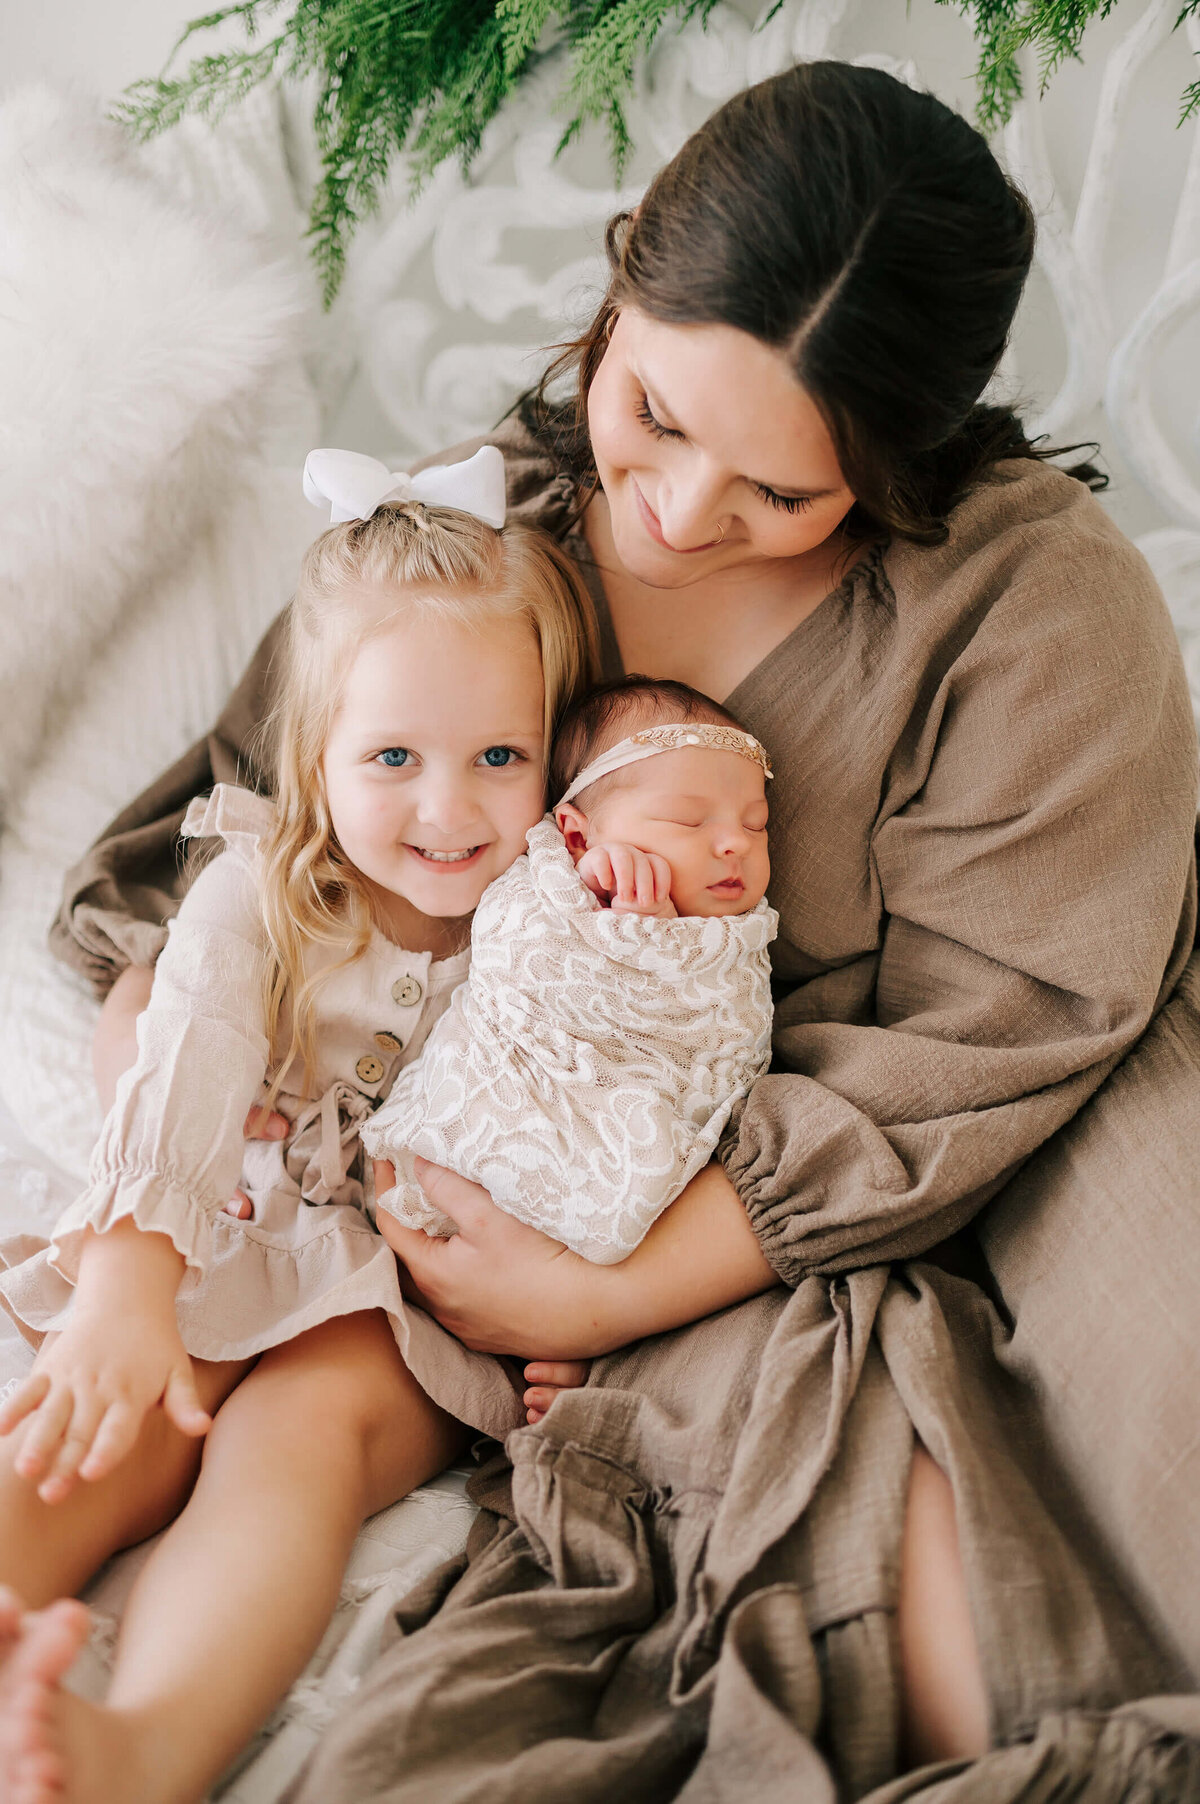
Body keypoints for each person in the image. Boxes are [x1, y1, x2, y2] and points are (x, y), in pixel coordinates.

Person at [19, 56, 1200, 1803]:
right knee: (164, 1356)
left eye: (780, 492)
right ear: (622, 272)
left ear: (906, 453)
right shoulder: (489, 529)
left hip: (810, 1152)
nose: (678, 511)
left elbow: (1010, 1018)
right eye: (652, 417)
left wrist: (617, 1274)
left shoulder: (1032, 603)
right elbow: (255, 830)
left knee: (1115, 1476)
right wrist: (174, 1115)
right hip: (436, 1133)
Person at [0, 450, 599, 1804]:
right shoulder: (254, 897)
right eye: (392, 758)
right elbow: (188, 1066)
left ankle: (145, 1745)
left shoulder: (554, 923)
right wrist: (127, 1280)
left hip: (405, 1298)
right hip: (232, 1217)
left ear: (552, 754)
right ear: (314, 758)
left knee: (293, 1445)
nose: (448, 809)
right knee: (123, 1408)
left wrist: (579, 1320)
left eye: (496, 758)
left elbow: (606, 1118)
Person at [365, 675, 778, 1264]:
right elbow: (525, 954)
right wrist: (612, 917)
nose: (734, 843)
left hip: (644, 1130)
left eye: (755, 824)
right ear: (578, 837)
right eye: (689, 821)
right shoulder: (556, 883)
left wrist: (661, 941)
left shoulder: (742, 938)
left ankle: (563, 1305)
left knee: (642, 1195)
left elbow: (718, 1036)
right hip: (526, 1096)